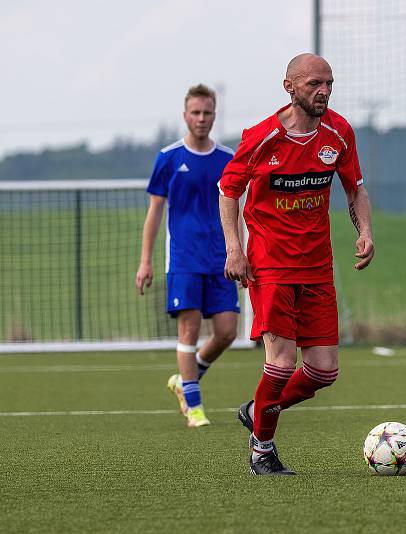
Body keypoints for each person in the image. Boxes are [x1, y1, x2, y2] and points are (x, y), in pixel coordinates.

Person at [218, 53, 374, 475]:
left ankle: (258, 410)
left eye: (329, 84)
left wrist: (365, 232)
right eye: (314, 84)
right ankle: (261, 450)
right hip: (270, 266)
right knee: (282, 364)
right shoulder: (261, 137)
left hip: (318, 266)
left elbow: (355, 189)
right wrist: (235, 248)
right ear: (289, 87)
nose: (323, 91)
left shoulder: (338, 132)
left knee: (323, 372)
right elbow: (228, 191)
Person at [136, 84, 240, 428]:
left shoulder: (228, 159)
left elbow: (236, 208)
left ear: (214, 115)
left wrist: (239, 249)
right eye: (195, 112)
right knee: (189, 329)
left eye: (207, 112)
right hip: (183, 260)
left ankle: (185, 380)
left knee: (226, 331)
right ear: (185, 115)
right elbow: (154, 212)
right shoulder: (168, 158)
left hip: (220, 259)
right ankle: (194, 408)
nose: (201, 118)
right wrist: (146, 260)